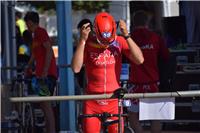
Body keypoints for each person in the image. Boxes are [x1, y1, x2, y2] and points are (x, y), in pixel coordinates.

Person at [71, 12, 144, 133]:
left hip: (114, 100)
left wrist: (127, 35)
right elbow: (76, 68)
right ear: (94, 31)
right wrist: (82, 41)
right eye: (102, 41)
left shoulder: (119, 41)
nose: (105, 45)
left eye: (109, 42)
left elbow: (139, 59)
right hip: (92, 101)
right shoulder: (88, 43)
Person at [127, 10, 170, 133]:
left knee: (132, 115)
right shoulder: (156, 37)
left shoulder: (130, 38)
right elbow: (166, 56)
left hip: (135, 84)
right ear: (147, 22)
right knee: (155, 116)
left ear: (134, 23)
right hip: (152, 82)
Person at [24, 11, 57, 133]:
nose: (27, 27)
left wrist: (44, 71)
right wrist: (28, 66)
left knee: (46, 105)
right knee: (44, 105)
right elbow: (35, 54)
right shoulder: (35, 36)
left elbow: (49, 50)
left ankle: (51, 131)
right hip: (41, 75)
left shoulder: (41, 32)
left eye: (28, 24)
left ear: (31, 22)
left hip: (46, 76)